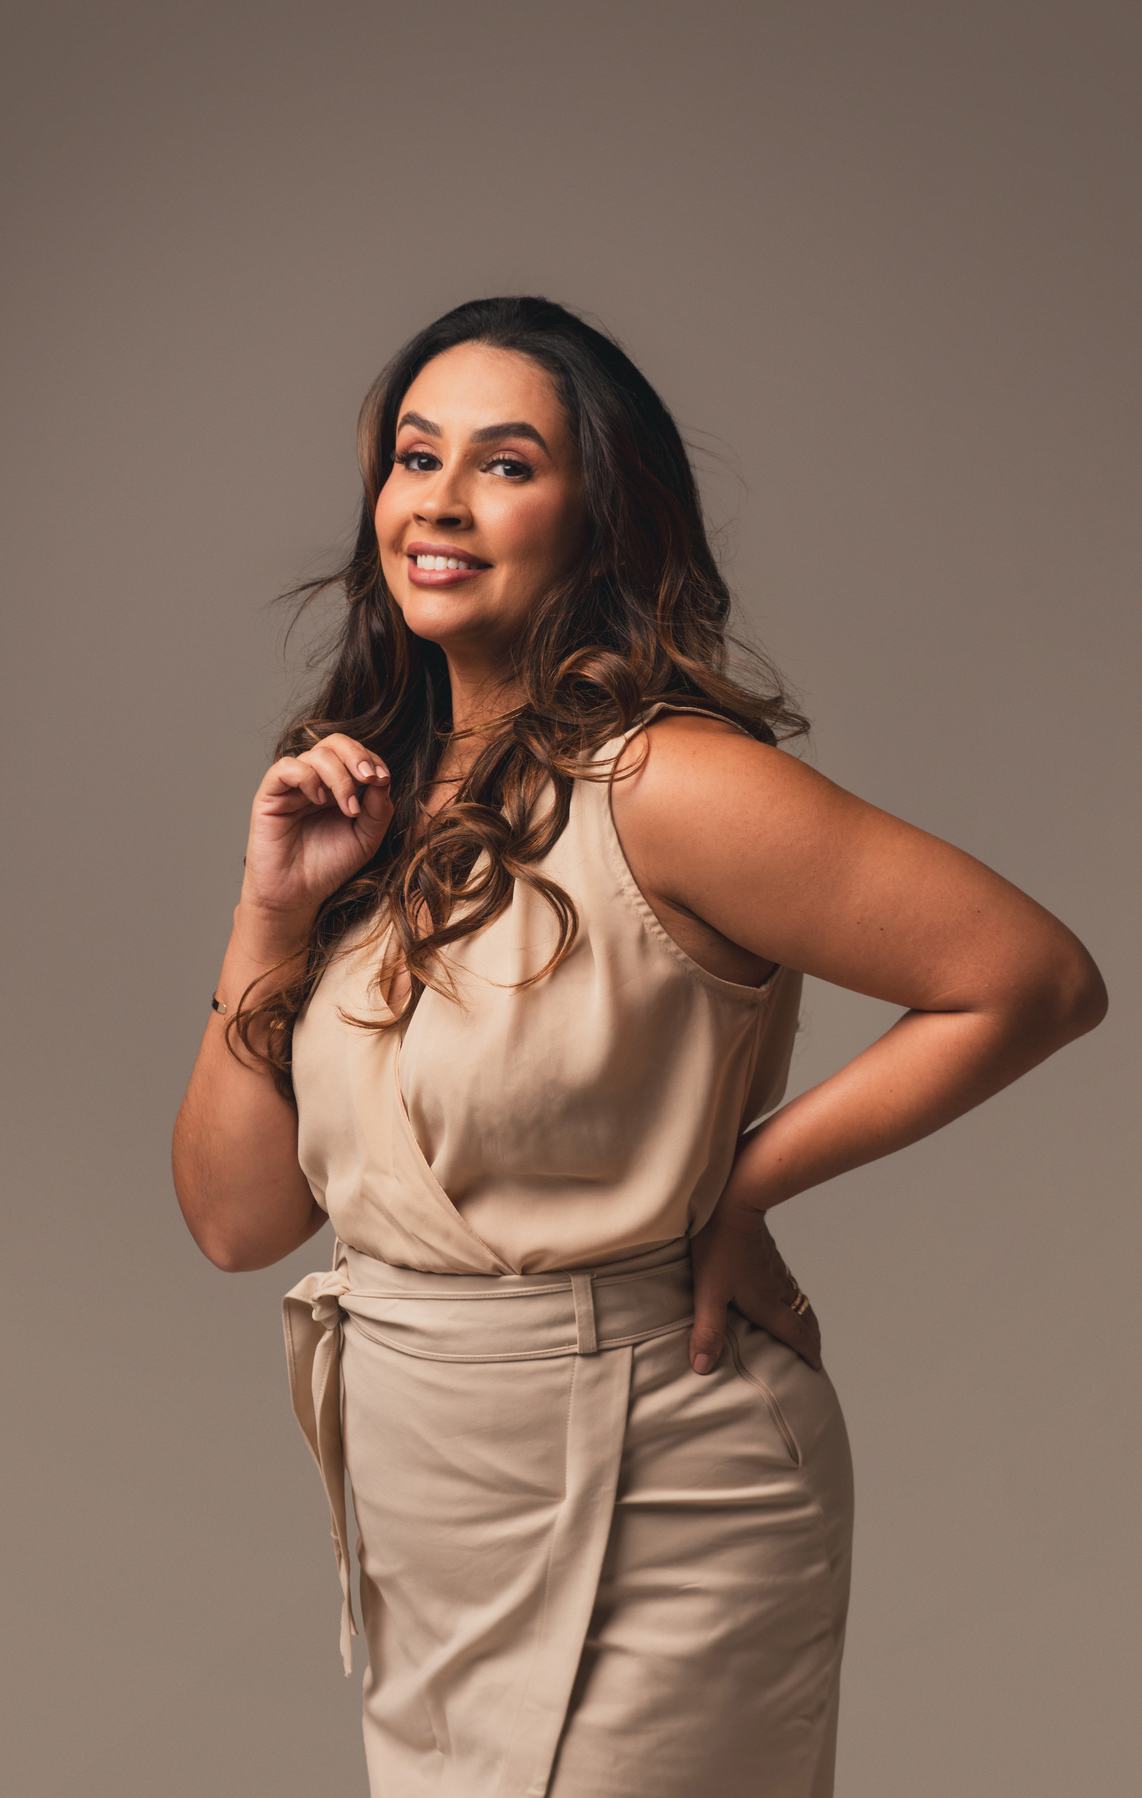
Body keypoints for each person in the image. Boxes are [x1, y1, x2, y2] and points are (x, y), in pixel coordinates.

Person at [172, 296, 1106, 1798]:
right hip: (423, 1515)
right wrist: (270, 912)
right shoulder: (370, 806)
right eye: (416, 455)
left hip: (664, 1491)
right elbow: (236, 1221)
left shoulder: (668, 783)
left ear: (599, 517)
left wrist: (745, 1185)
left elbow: (1033, 979)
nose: (442, 500)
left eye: (506, 464)